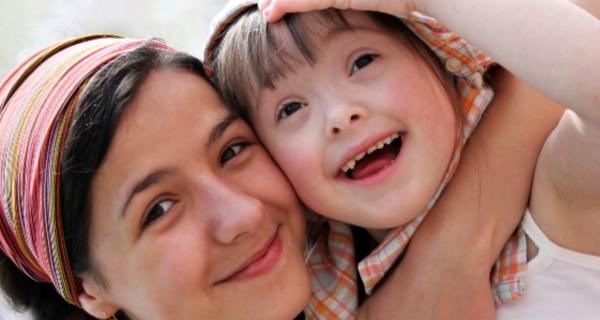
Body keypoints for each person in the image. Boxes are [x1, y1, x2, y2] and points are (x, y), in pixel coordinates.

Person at [0, 32, 559, 320]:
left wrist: (450, 252)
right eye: (159, 209)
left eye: (233, 150)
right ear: (91, 290)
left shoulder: (377, 233)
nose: (243, 215)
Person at [205, 0, 600, 318]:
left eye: (362, 62)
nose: (341, 116)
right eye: (290, 109)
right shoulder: (339, 304)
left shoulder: (552, 202)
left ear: (443, 61)